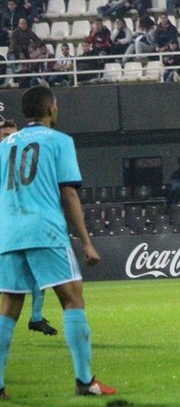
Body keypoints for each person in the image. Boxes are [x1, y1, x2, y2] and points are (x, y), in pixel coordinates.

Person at [0, 87, 117, 399]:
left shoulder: (4, 146)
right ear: (51, 108)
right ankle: (85, 381)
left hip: (9, 232)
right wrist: (87, 243)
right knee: (72, 299)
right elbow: (69, 194)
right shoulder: (60, 141)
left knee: (8, 307)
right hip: (45, 231)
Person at [0, 121, 58, 337]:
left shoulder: (22, 164)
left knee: (37, 275)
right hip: (6, 228)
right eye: (5, 134)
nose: (9, 139)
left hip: (22, 227)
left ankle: (36, 318)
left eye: (12, 135)